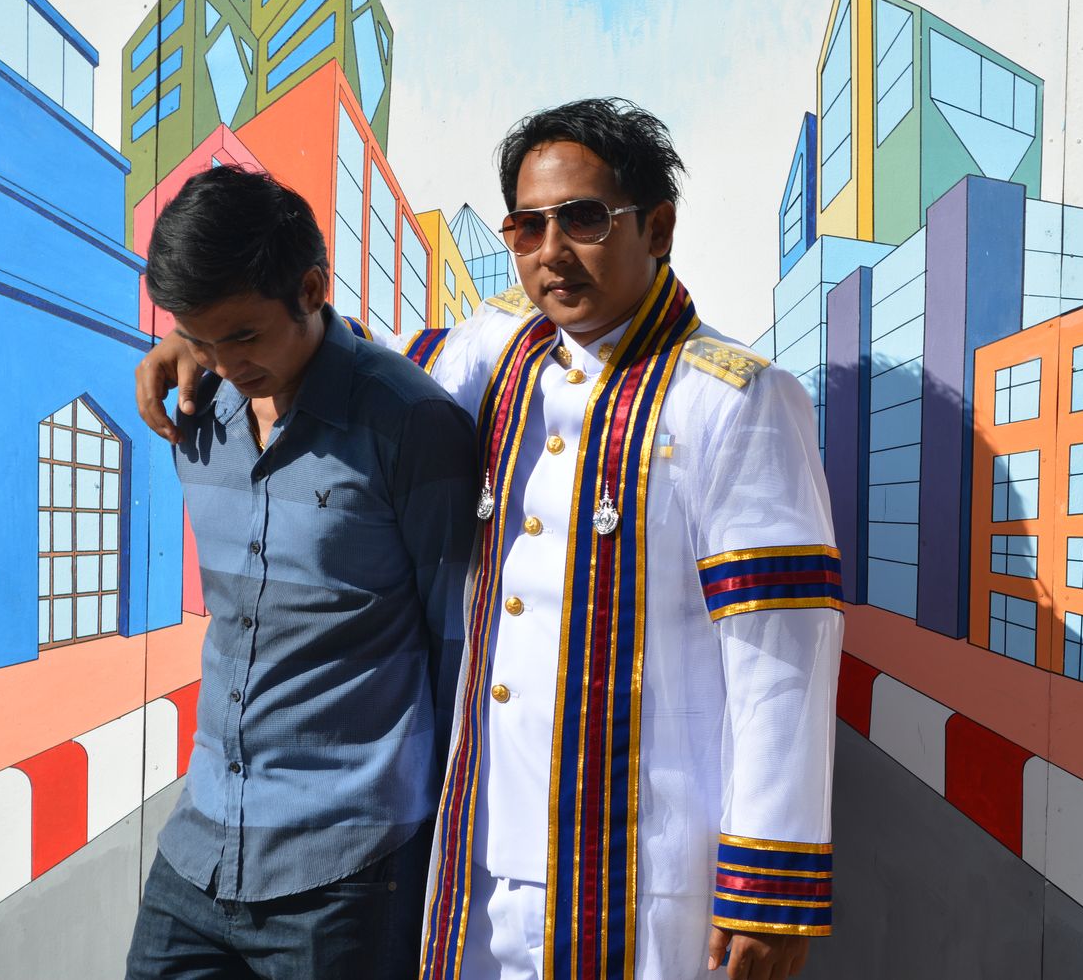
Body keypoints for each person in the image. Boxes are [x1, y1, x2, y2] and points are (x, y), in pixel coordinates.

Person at [137, 100, 842, 980]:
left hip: (637, 846)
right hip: (480, 836)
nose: (552, 251)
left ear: (657, 228)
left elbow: (781, 650)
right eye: (527, 226)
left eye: (584, 219)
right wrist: (203, 343)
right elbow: (346, 365)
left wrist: (770, 881)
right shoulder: (498, 349)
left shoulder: (733, 399)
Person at [125, 167, 478, 979]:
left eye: (243, 336)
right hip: (200, 845)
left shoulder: (411, 424)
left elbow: (459, 652)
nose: (224, 362)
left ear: (313, 288)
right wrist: (203, 345)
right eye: (201, 338)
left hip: (347, 871)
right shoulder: (196, 409)